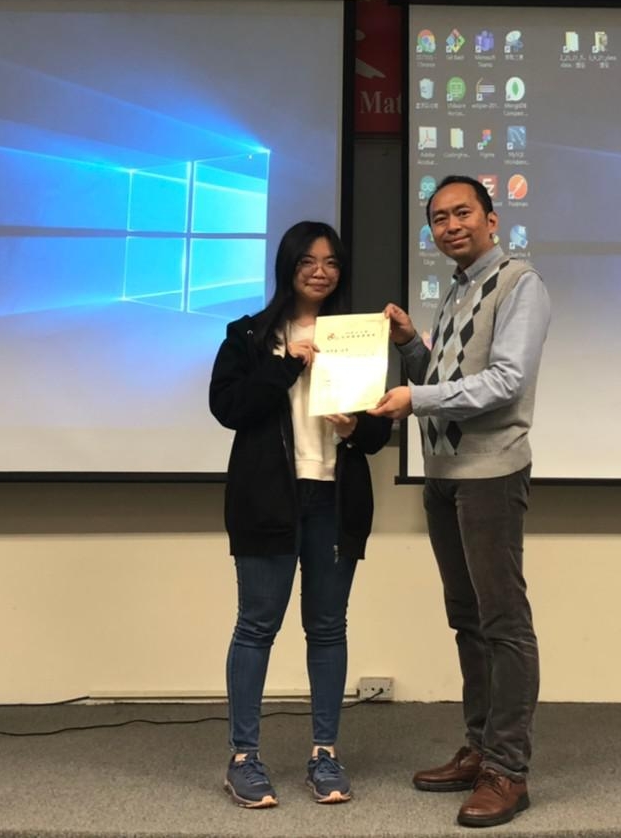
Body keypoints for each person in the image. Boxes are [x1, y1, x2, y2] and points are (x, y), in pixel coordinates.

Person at [372, 176, 551, 828]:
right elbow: (445, 381)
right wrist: (409, 347)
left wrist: (413, 398)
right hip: (444, 475)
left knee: (503, 623)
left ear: (491, 219)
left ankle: (509, 771)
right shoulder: (456, 290)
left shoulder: (518, 284)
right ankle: (479, 749)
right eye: (439, 218)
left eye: (462, 213)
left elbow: (504, 383)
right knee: (467, 620)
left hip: (490, 475)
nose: (450, 226)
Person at [209, 221, 392, 809]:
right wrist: (286, 363)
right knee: (256, 625)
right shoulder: (249, 335)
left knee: (328, 627)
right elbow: (228, 407)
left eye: (331, 261)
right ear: (287, 266)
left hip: (334, 500)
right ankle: (244, 757)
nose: (320, 271)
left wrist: (356, 426)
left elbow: (379, 433)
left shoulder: (355, 336)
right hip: (268, 500)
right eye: (308, 260)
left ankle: (324, 754)